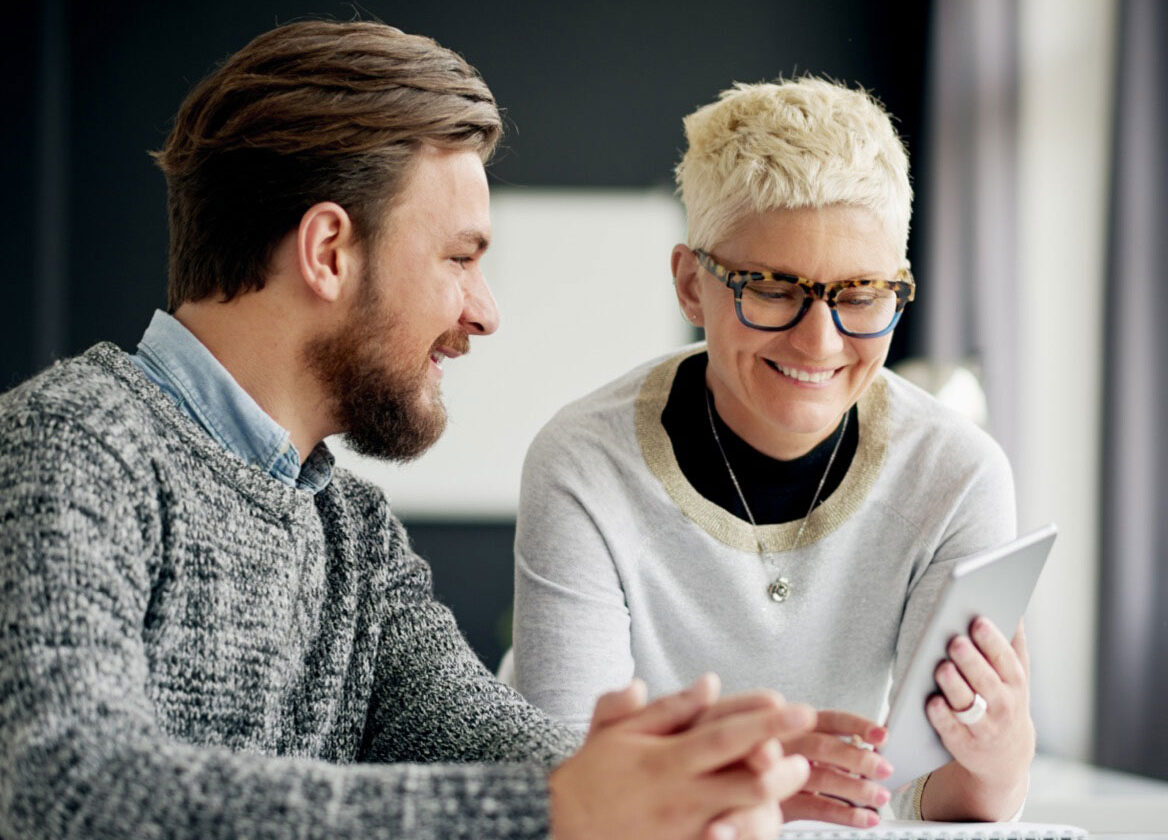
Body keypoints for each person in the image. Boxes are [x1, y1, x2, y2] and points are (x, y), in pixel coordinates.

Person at [0, 22, 820, 840]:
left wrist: (671, 780)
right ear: (328, 251)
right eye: (461, 260)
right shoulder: (72, 445)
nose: (485, 312)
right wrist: (557, 807)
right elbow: (68, 792)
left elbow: (495, 747)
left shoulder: (351, 532)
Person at [512, 78, 1034, 827]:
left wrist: (1001, 755)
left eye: (860, 295)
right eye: (770, 288)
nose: (819, 342)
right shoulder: (582, 464)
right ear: (693, 286)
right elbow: (571, 790)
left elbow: (940, 804)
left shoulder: (958, 474)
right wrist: (753, 791)